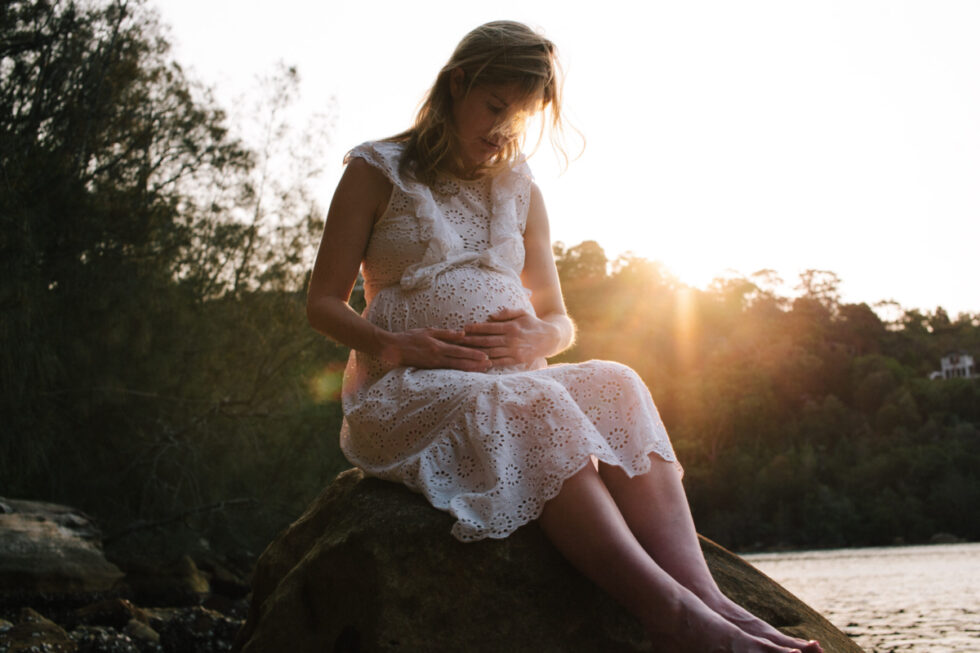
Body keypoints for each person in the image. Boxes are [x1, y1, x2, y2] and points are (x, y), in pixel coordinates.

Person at [306, 20, 822, 653]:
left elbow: (558, 318)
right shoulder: (377, 169)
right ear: (456, 83)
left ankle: (708, 600)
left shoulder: (520, 188)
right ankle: (671, 617)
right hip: (405, 389)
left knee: (620, 383)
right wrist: (397, 345)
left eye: (518, 116)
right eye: (495, 106)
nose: (502, 129)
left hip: (512, 378)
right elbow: (322, 304)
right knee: (536, 401)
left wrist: (534, 340)